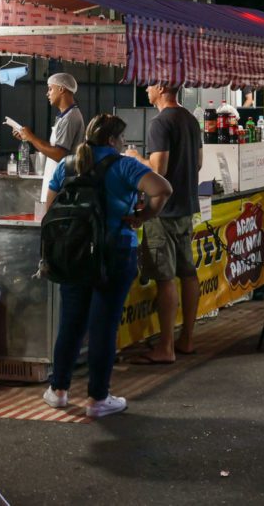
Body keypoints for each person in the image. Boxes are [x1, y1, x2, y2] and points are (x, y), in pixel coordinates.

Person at [43, 114, 171, 418]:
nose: (124, 144)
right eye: (122, 139)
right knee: (103, 326)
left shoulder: (68, 164)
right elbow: (163, 189)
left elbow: (49, 208)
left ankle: (58, 390)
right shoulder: (124, 164)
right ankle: (97, 399)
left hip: (73, 255)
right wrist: (143, 217)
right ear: (113, 140)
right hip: (116, 252)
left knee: (71, 322)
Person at [124, 85, 203, 365]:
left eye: (149, 83)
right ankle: (187, 339)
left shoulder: (160, 122)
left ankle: (166, 346)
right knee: (188, 273)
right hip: (187, 208)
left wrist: (135, 159)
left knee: (165, 277)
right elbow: (199, 163)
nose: (146, 88)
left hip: (164, 212)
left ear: (160, 87)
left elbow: (158, 171)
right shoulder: (191, 119)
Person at [15, 73, 86, 198]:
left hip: (61, 186)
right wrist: (28, 138)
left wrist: (32, 137)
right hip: (55, 181)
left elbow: (59, 154)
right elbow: (55, 148)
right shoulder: (64, 116)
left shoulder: (70, 118)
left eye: (50, 89)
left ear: (61, 89)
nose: (47, 93)